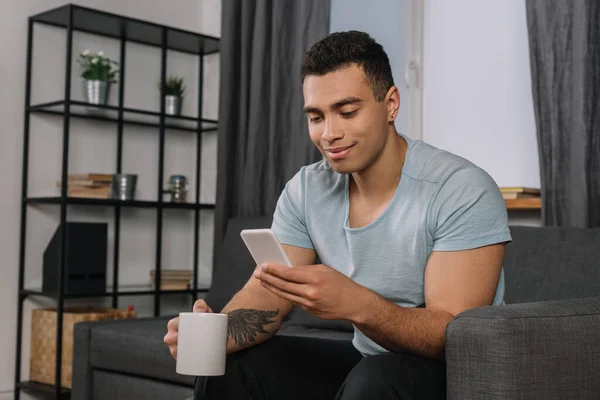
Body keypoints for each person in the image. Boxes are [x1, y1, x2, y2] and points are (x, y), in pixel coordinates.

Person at [164, 30, 511, 400]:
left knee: (377, 379)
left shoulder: (459, 188)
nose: (329, 134)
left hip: (457, 373)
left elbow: (453, 333)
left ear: (391, 104)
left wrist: (358, 304)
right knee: (233, 367)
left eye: (347, 112)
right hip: (370, 362)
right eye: (316, 117)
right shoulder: (307, 189)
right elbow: (271, 295)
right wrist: (215, 332)